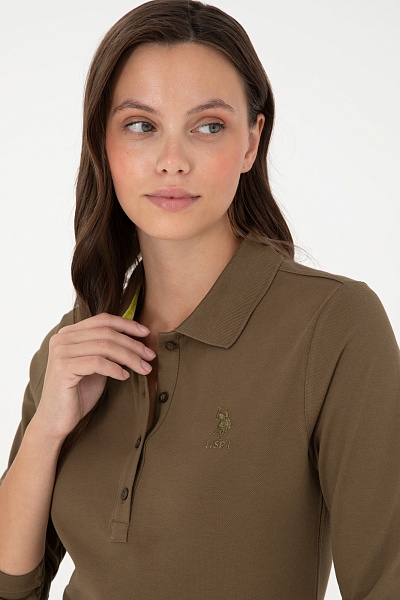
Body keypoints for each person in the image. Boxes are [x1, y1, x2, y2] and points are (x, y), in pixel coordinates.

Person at [0, 0, 399, 598]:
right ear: (103, 143)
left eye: (208, 126)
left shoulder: (333, 327)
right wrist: (46, 431)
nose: (172, 162)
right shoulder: (75, 345)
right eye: (141, 125)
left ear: (251, 142)